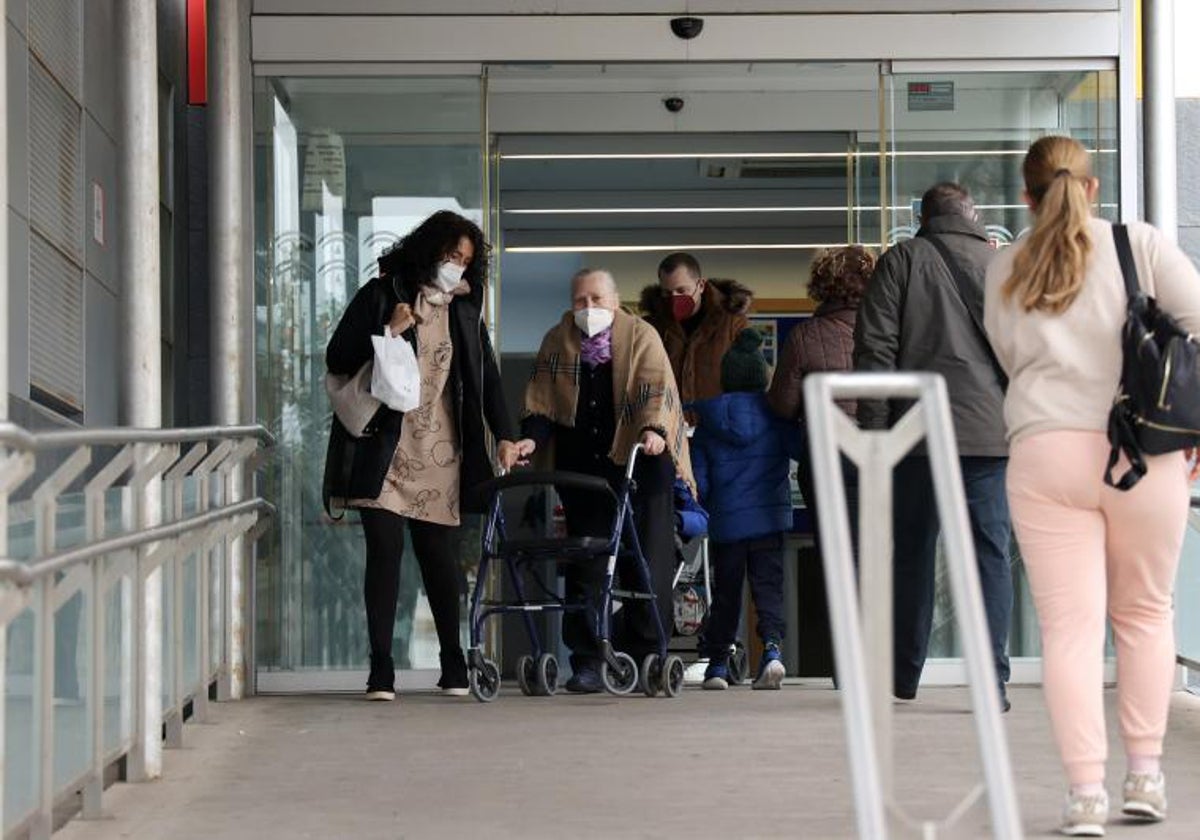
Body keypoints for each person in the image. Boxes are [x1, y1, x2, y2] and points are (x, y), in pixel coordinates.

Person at [984, 136, 1200, 836]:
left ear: (1027, 196)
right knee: (1143, 614)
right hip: (1145, 452)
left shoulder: (1004, 266)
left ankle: (1084, 796)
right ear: (1093, 185)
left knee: (1068, 631)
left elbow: (1009, 358)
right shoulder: (1141, 245)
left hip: (1045, 454)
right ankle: (1144, 775)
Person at [324, 210, 526, 701]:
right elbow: (337, 357)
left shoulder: (464, 311)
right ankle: (381, 668)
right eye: (450, 256)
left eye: (464, 261)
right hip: (384, 447)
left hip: (442, 450)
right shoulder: (381, 295)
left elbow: (489, 379)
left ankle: (453, 662)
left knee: (440, 558)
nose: (456, 266)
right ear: (428, 251)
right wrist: (388, 332)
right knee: (386, 553)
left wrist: (505, 434)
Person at [854, 182, 1013, 711]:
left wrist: (877, 433)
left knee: (914, 552)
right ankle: (992, 682)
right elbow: (1025, 351)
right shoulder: (1002, 266)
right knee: (989, 556)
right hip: (990, 437)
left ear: (921, 216)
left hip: (918, 434)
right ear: (973, 214)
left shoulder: (901, 260)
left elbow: (876, 348)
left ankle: (903, 676)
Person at [514, 268, 694, 693]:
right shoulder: (557, 341)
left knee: (645, 558)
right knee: (588, 562)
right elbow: (541, 405)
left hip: (642, 463)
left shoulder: (641, 335)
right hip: (584, 468)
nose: (588, 308)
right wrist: (528, 441)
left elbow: (657, 392)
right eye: (580, 300)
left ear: (615, 301)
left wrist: (655, 431)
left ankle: (648, 651)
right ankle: (588, 659)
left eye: (597, 299)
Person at [690, 329, 801, 690]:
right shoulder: (777, 417)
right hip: (768, 519)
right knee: (768, 588)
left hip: (727, 524)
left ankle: (719, 665)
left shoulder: (709, 422)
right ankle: (771, 651)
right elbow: (801, 450)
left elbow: (700, 482)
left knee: (727, 591)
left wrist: (712, 505)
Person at [769, 245, 874, 562]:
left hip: (828, 458)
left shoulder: (804, 336)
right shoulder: (891, 331)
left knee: (838, 558)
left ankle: (842, 612)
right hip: (883, 453)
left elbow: (783, 406)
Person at [640, 253, 754, 408]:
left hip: (718, 428)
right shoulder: (652, 328)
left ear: (700, 285)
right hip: (668, 427)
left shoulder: (732, 324)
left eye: (682, 290)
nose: (674, 298)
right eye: (667, 293)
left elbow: (752, 381)